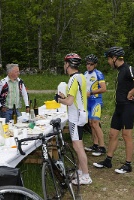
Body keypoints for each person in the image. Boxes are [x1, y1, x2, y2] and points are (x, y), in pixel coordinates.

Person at [93, 47, 134, 174]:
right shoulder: (120, 71)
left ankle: (128, 165)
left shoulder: (128, 69)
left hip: (128, 107)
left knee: (126, 135)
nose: (108, 62)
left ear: (115, 58)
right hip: (119, 108)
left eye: (109, 59)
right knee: (112, 134)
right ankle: (108, 160)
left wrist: (131, 92)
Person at [57, 53, 92, 185]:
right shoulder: (81, 76)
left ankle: (86, 176)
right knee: (79, 144)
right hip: (81, 114)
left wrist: (59, 99)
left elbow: (70, 101)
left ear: (68, 65)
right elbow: (78, 96)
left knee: (78, 147)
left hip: (75, 116)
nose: (64, 66)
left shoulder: (73, 79)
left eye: (65, 64)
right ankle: (80, 170)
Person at [84, 54, 107, 156]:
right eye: (87, 64)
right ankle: (95, 144)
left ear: (95, 65)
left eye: (91, 64)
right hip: (88, 102)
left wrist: (92, 93)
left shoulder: (98, 74)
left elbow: (104, 89)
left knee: (95, 124)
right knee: (91, 123)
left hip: (96, 101)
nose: (89, 66)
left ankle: (102, 147)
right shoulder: (85, 73)